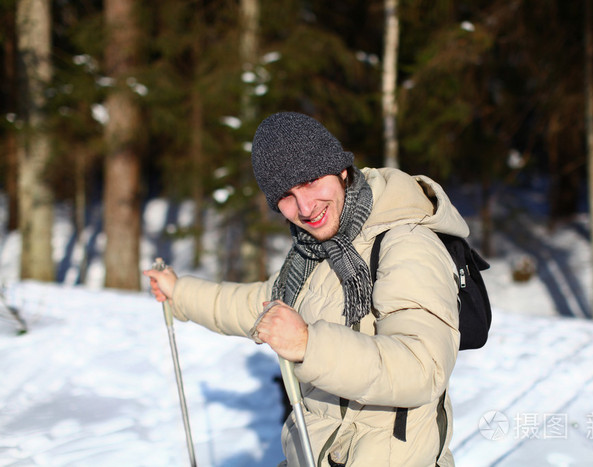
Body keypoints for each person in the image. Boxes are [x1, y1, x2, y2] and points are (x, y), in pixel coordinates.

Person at [144, 111, 471, 467]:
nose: (305, 207)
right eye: (286, 194)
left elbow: (422, 367)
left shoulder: (407, 242)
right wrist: (180, 292)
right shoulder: (312, 254)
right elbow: (257, 306)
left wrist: (308, 345)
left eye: (312, 181)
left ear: (341, 171)